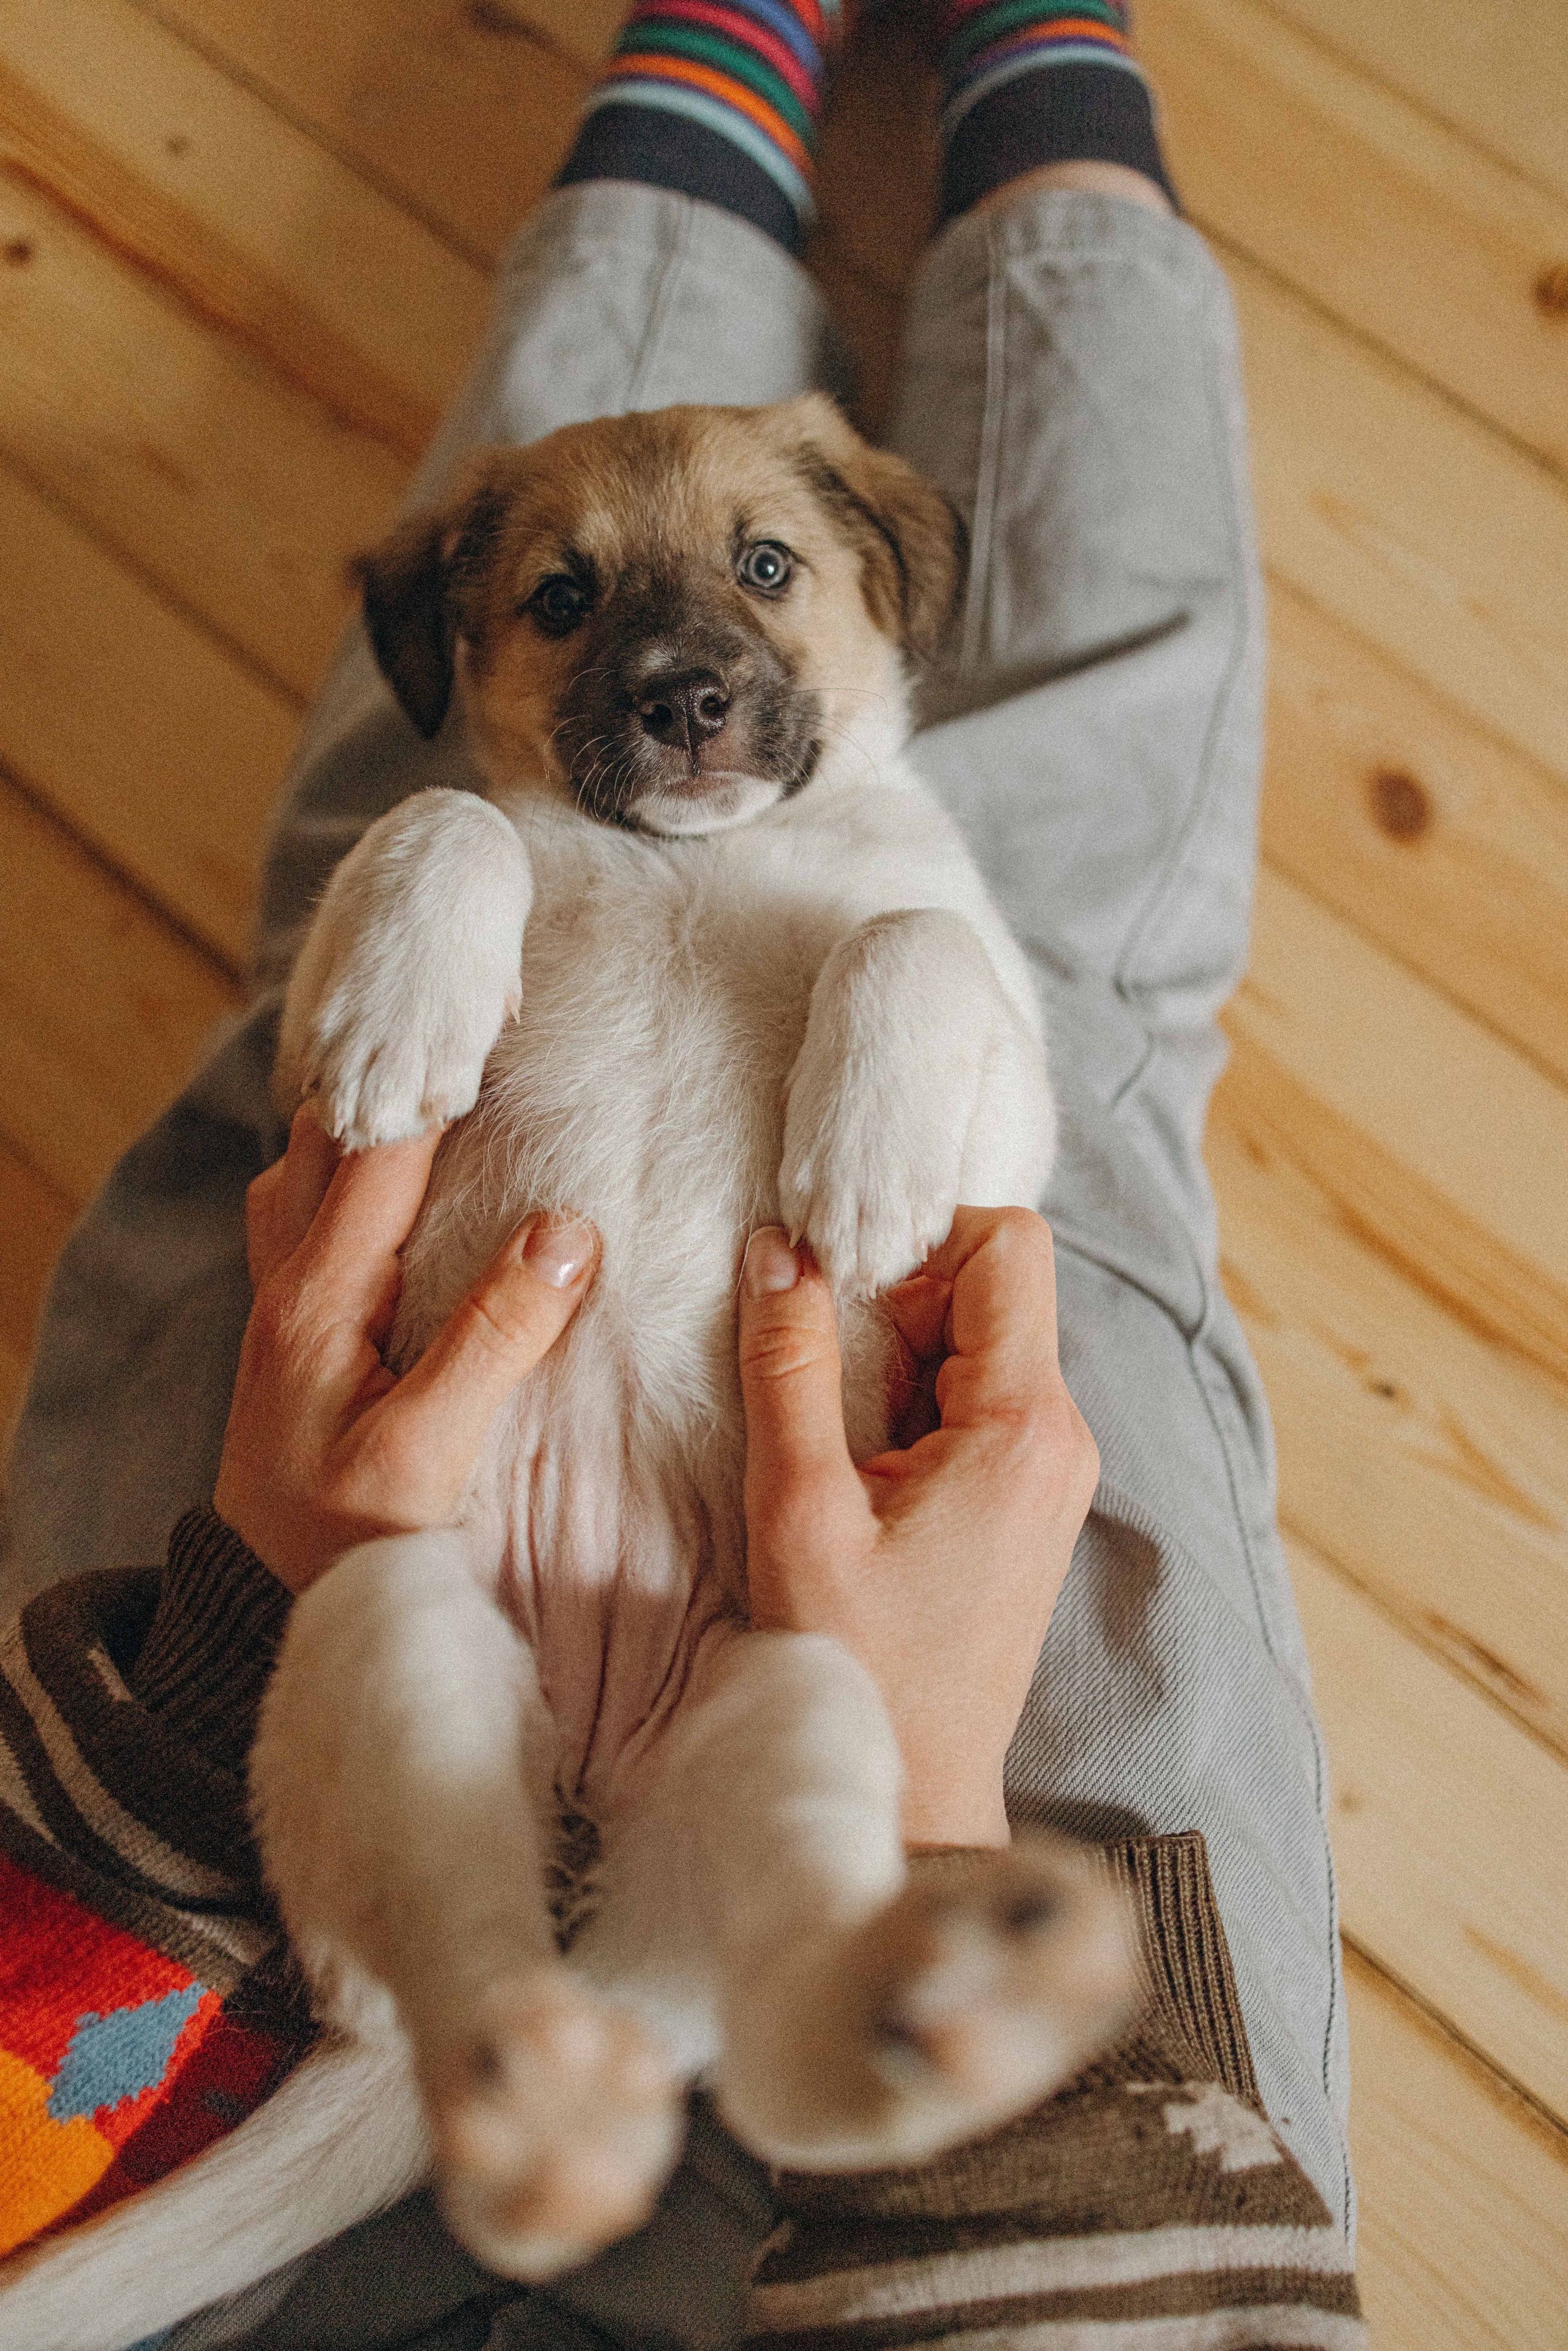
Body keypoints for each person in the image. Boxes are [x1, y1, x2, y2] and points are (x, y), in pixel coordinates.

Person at [0, 0, 1362, 2342]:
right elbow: (1002, 1134)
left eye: (759, 580)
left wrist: (445, 854)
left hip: (269, 1773)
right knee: (1095, 1030)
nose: (681, 663)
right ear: (473, 628)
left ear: (868, 588)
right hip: (803, 1673)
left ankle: (712, 78)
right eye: (573, 606)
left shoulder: (639, 792)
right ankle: (1039, 91)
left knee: (322, 984)